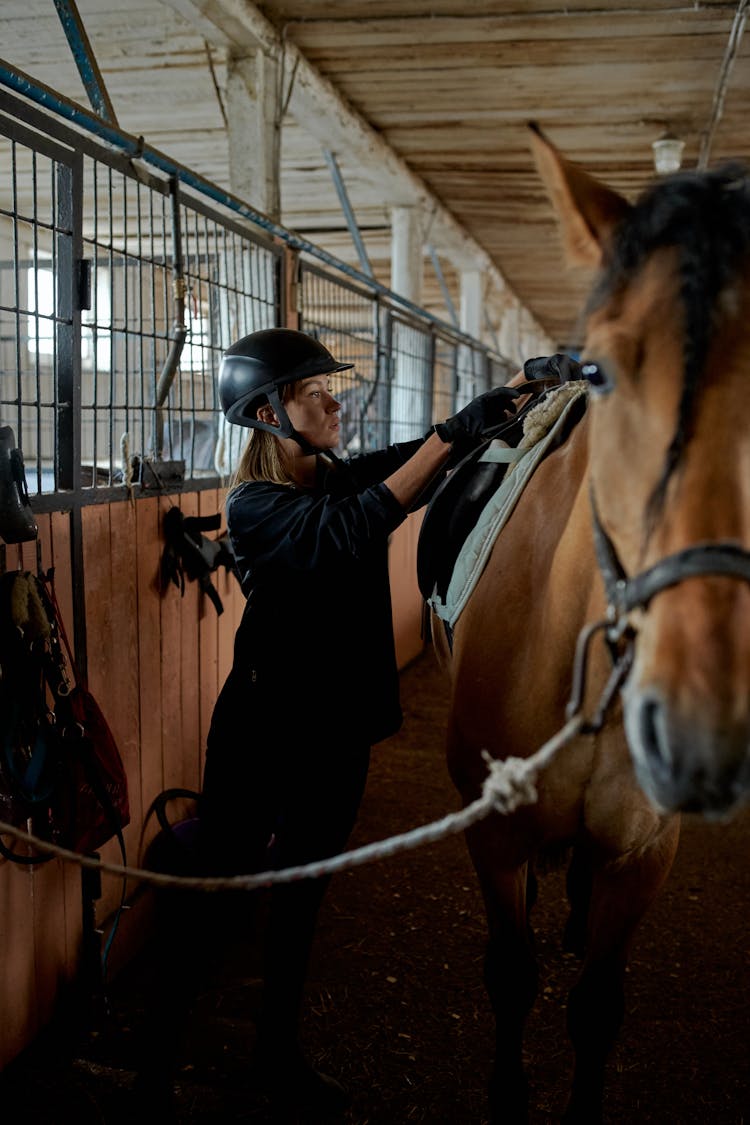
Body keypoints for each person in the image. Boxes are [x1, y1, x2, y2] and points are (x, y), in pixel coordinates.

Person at [139, 327, 520, 1117]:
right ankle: (156, 1063)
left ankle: (275, 1053)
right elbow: (359, 524)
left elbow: (406, 470)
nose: (333, 400)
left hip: (336, 733)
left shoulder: (335, 476)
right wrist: (448, 437)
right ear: (271, 413)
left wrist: (506, 403)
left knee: (305, 895)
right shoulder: (254, 506)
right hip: (263, 734)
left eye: (328, 388)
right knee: (219, 894)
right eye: (315, 392)